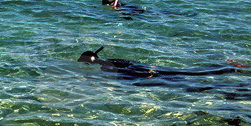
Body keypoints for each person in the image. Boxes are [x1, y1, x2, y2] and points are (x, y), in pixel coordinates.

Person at [77, 46, 241, 80]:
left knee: (187, 75)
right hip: (144, 68)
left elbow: (126, 77)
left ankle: (227, 69)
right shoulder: (111, 60)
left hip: (144, 73)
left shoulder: (106, 67)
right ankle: (226, 67)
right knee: (187, 72)